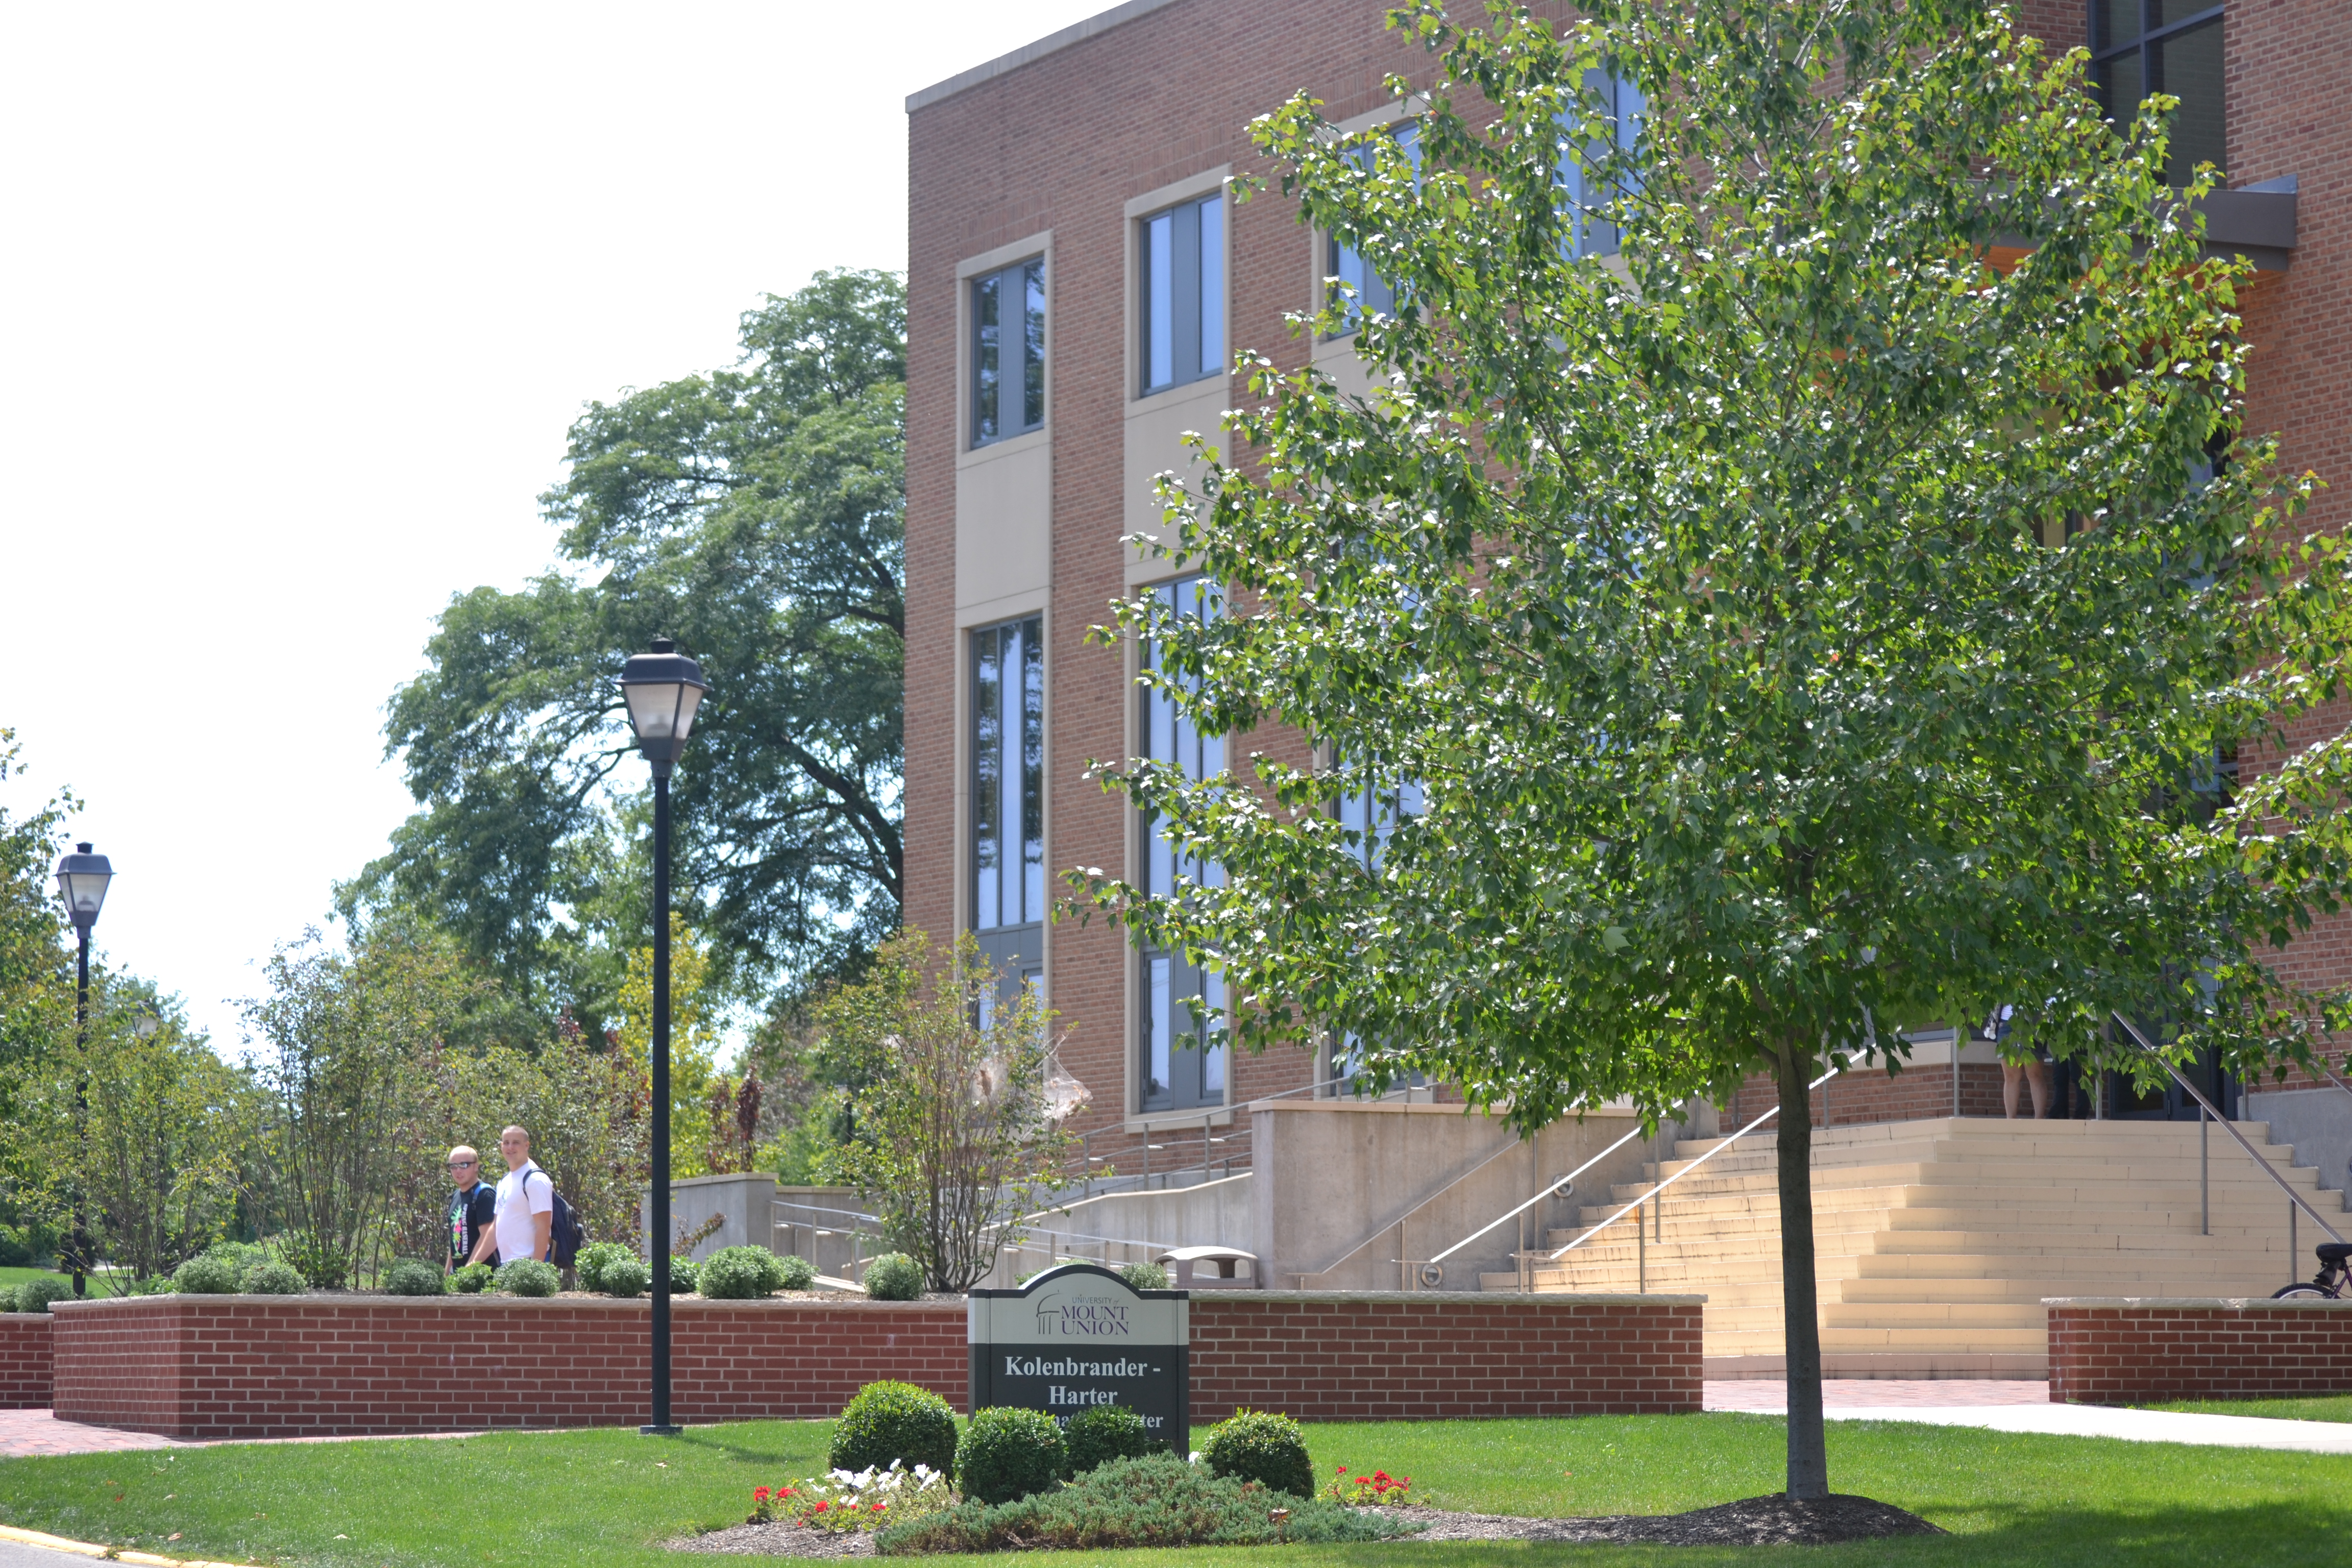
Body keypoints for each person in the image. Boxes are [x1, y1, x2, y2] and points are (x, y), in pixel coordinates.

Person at [470, 1124, 553, 1268]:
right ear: (502, 1146)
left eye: (516, 1143)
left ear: (527, 1146)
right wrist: (473, 1266)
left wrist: (536, 1270)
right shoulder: (504, 1182)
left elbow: (544, 1226)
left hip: (529, 1263)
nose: (510, 1147)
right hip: (507, 1264)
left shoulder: (535, 1179)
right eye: (506, 1143)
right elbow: (495, 1228)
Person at [1991, 1004, 2051, 1119]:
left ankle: (2039, 1121)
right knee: (2011, 1076)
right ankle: (2011, 1122)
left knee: (2034, 1074)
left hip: (2032, 1021)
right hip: (2006, 1022)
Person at [445, 1145, 498, 1273]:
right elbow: (455, 1239)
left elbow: (488, 1237)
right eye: (453, 1166)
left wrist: (469, 1270)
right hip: (460, 1277)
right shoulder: (456, 1196)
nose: (458, 1171)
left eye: (464, 1165)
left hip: (483, 1276)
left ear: (476, 1166)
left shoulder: (484, 1195)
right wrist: (446, 1275)